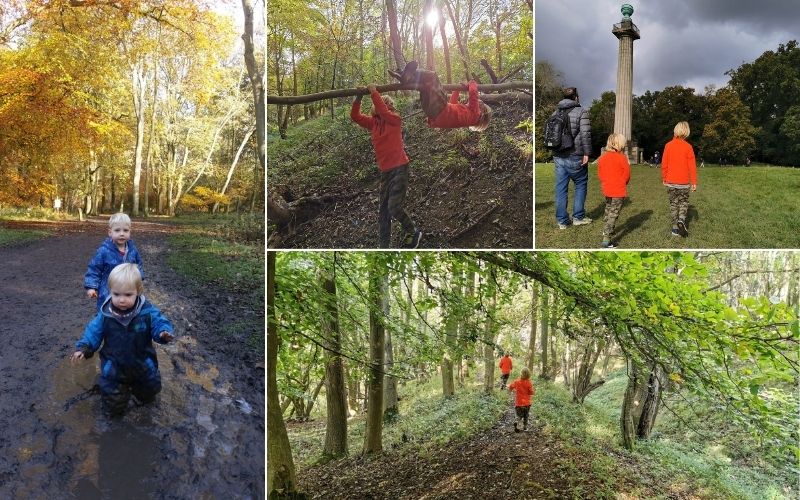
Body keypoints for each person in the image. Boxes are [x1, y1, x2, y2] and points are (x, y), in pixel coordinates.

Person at [71, 264, 174, 416]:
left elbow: (159, 322)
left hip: (143, 363)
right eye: (116, 294)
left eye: (128, 295)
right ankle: (113, 414)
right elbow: (93, 331)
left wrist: (163, 333)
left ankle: (145, 405)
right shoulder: (106, 315)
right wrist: (84, 347)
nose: (121, 300)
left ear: (138, 292)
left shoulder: (147, 312)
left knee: (149, 392)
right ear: (109, 291)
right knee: (113, 400)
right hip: (114, 366)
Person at [351, 84, 422, 249]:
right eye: (381, 103)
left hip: (400, 168)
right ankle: (383, 246)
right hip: (386, 172)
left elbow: (384, 112)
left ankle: (412, 231)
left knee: (394, 207)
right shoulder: (373, 123)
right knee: (383, 212)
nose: (383, 105)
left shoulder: (395, 119)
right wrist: (359, 96)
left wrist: (374, 92)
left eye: (386, 103)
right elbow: (355, 116)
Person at [392, 60, 492, 131]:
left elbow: (474, 94)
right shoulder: (468, 117)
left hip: (441, 110)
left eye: (481, 103)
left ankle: (408, 76)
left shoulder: (476, 114)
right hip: (432, 113)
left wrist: (472, 83)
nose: (480, 101)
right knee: (425, 88)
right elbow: (452, 103)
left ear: (482, 111)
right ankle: (406, 76)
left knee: (432, 76)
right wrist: (456, 90)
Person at [552, 87, 592, 229]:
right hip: (576, 155)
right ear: (576, 97)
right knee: (580, 184)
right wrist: (587, 153)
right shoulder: (582, 112)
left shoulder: (556, 111)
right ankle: (578, 217)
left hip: (558, 156)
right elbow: (586, 134)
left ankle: (562, 221)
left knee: (561, 188)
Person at [85, 213, 144, 310]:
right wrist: (91, 286)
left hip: (128, 289)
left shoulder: (132, 250)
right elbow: (94, 269)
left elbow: (138, 266)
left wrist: (139, 279)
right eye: (117, 230)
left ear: (130, 231)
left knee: (129, 311)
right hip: (108, 292)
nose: (122, 233)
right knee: (107, 313)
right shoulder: (104, 251)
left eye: (125, 230)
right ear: (110, 232)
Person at [661, 121, 697, 238]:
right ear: (686, 132)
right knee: (683, 203)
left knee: (673, 204)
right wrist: (694, 182)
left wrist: (664, 178)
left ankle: (675, 228)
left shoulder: (668, 145)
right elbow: (692, 167)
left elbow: (664, 164)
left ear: (675, 130)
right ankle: (681, 219)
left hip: (671, 181)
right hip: (684, 182)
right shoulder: (688, 147)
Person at [597, 133, 631, 248]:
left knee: (608, 209)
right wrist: (622, 182)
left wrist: (606, 183)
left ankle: (605, 229)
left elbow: (600, 174)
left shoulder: (603, 157)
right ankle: (607, 239)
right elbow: (626, 174)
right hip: (618, 190)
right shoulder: (621, 158)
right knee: (613, 213)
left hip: (607, 189)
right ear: (619, 144)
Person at [508, 368, 535, 432]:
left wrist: (510, 391)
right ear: (529, 374)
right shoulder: (529, 383)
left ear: (521, 373)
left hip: (518, 403)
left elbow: (510, 386)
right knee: (526, 415)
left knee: (519, 415)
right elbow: (531, 392)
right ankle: (525, 427)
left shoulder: (517, 381)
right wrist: (533, 392)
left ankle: (517, 422)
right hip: (527, 403)